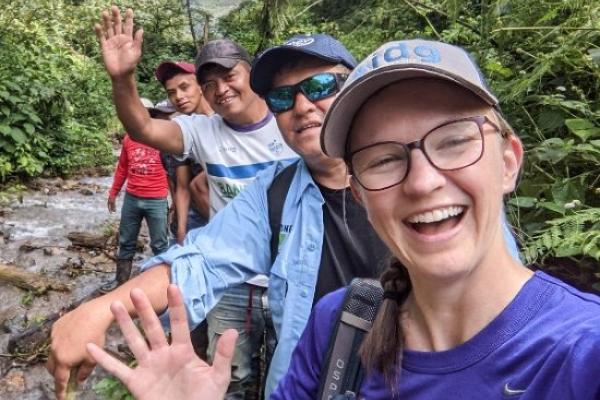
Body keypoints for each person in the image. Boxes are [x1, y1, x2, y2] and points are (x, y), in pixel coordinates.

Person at [88, 39, 600, 400]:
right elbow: (204, 255)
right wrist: (106, 308)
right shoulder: (335, 324)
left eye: (454, 143)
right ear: (359, 184)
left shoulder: (578, 351)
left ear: (508, 161)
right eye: (385, 159)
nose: (422, 182)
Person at [103, 97, 169, 291]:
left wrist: (173, 203)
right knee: (126, 241)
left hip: (156, 199)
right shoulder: (128, 139)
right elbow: (122, 168)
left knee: (160, 244)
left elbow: (172, 170)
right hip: (132, 198)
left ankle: (162, 286)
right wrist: (113, 193)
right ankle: (121, 281)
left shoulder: (161, 137)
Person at [154, 61, 212, 244]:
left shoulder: (225, 119)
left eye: (184, 87)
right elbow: (182, 185)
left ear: (201, 86)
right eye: (171, 92)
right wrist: (181, 230)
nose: (179, 97)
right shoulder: (183, 130)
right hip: (196, 217)